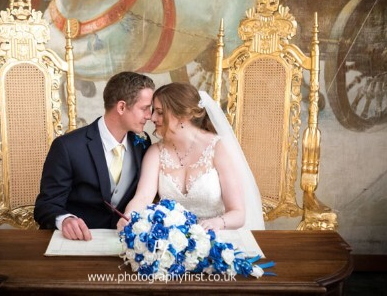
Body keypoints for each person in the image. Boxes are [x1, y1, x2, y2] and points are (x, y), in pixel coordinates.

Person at [117, 82, 265, 231]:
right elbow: (143, 197)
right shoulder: (155, 152)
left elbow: (238, 214)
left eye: (160, 112)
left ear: (183, 114)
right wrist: (129, 215)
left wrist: (218, 223)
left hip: (216, 240)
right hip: (171, 243)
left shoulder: (218, 148)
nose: (153, 118)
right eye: (154, 111)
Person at [34, 71, 155, 240]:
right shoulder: (67, 146)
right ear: (121, 107)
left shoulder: (142, 142)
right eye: (144, 108)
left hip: (126, 244)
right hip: (80, 243)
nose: (150, 116)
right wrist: (65, 220)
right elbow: (46, 206)